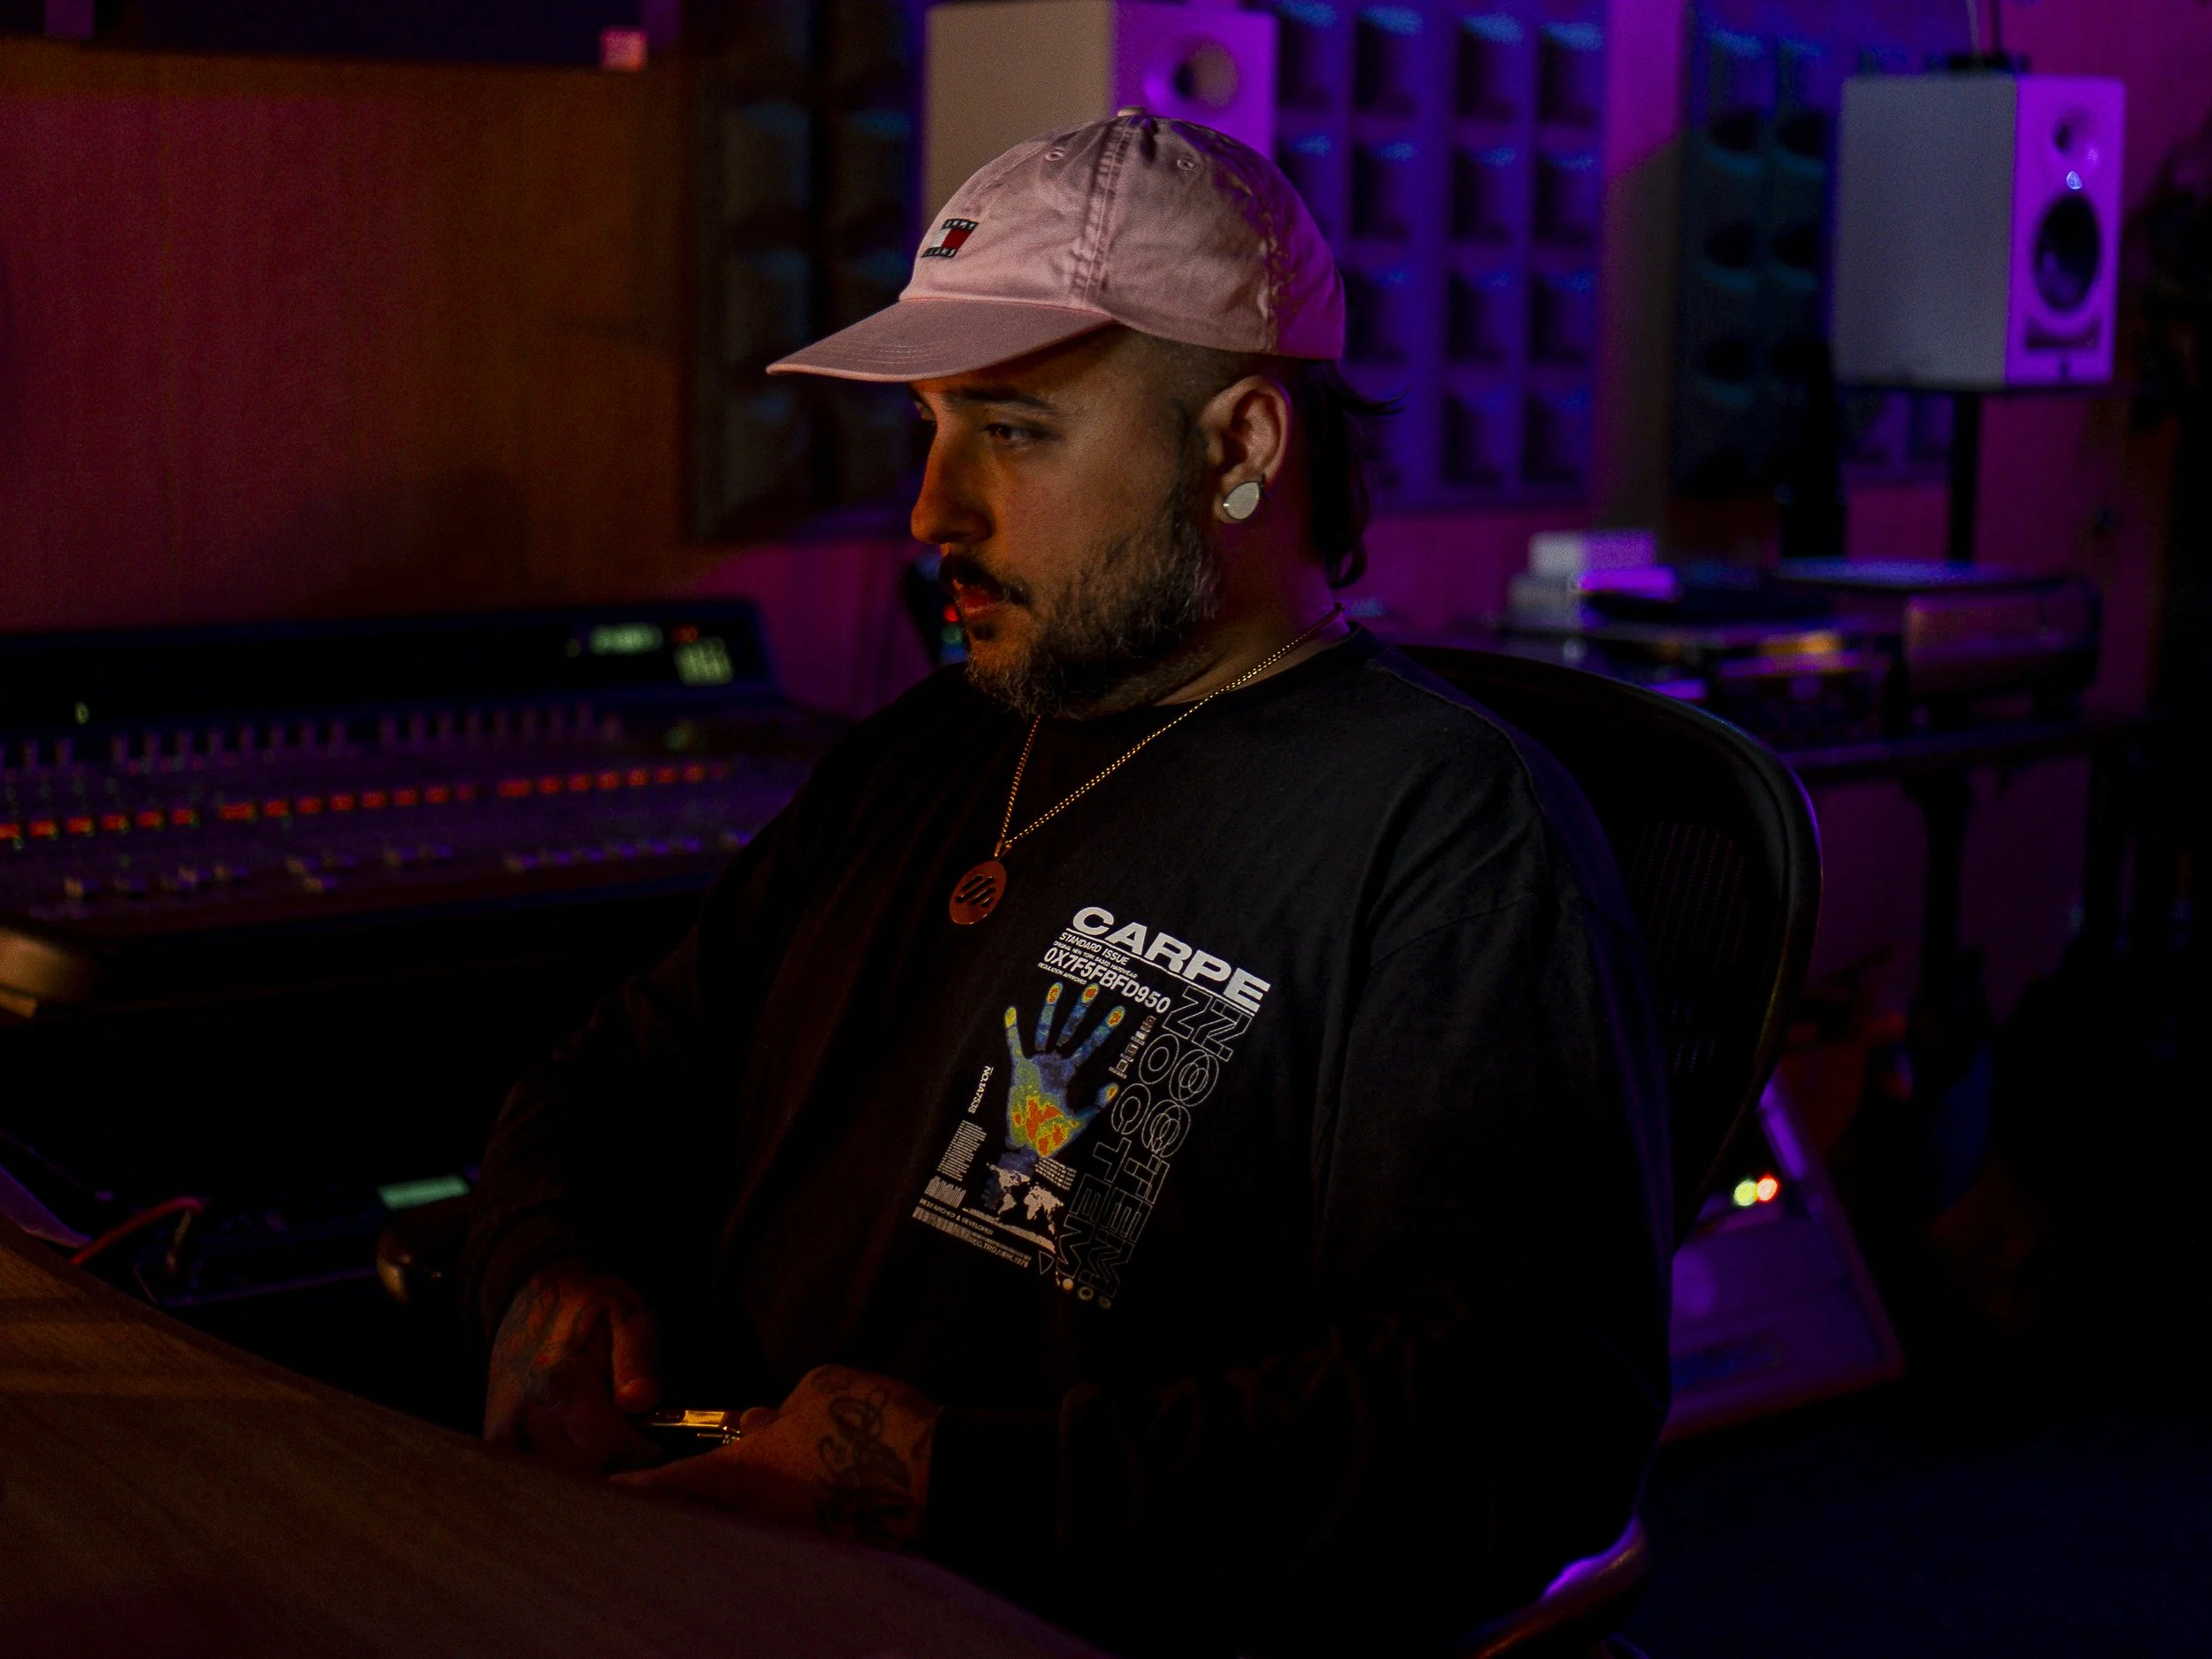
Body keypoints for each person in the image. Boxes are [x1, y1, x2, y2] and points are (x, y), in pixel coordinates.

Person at [462, 111, 1671, 1656]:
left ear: (1240, 448)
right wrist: (543, 1267)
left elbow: (1505, 1423)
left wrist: (937, 1484)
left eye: (1014, 432)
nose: (933, 511)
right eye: (932, 430)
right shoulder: (933, 745)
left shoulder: (1450, 840)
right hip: (711, 1578)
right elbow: (619, 1072)